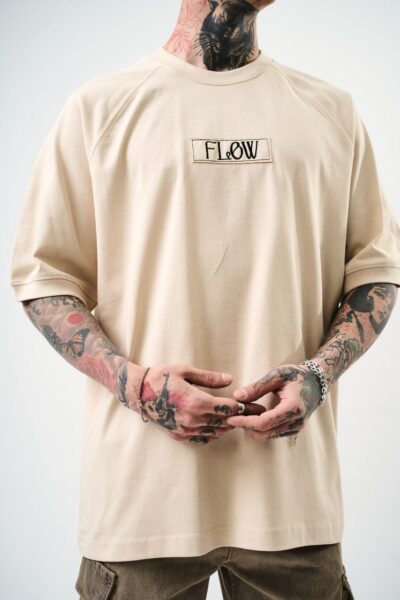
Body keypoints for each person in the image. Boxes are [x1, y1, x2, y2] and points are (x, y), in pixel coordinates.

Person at [9, 0, 400, 598]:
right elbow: (46, 278)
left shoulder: (331, 110)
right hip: (142, 506)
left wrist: (319, 374)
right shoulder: (101, 107)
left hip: (292, 504)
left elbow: (375, 271)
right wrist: (139, 388)